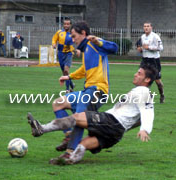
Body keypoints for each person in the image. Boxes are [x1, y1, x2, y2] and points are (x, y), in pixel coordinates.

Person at [27, 64, 157, 165]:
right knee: (82, 145)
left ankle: (42, 129)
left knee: (77, 117)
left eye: (139, 73)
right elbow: (139, 118)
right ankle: (69, 160)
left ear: (147, 79)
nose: (135, 75)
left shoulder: (144, 92)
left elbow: (148, 113)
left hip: (111, 121)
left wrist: (145, 129)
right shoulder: (141, 92)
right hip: (117, 133)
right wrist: (134, 127)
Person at [39, 21, 118, 158]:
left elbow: (115, 48)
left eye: (74, 36)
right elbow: (84, 70)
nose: (73, 40)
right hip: (87, 90)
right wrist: (68, 76)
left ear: (83, 33)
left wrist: (98, 40)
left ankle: (70, 152)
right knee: (58, 104)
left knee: (79, 116)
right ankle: (69, 136)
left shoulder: (93, 44)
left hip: (98, 90)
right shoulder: (85, 49)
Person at [137, 22, 164, 103]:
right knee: (141, 78)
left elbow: (161, 48)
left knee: (157, 81)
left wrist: (149, 47)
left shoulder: (155, 36)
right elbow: (140, 47)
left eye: (148, 26)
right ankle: (149, 95)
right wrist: (140, 49)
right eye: (145, 26)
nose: (146, 28)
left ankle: (162, 94)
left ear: (151, 27)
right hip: (145, 60)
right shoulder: (142, 36)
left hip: (154, 61)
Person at [52, 17, 75, 92]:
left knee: (66, 71)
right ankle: (71, 84)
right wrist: (54, 44)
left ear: (70, 25)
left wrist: (76, 49)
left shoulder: (73, 33)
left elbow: (77, 41)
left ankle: (67, 89)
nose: (66, 25)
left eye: (68, 24)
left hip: (69, 54)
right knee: (64, 72)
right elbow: (54, 39)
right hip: (61, 54)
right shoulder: (59, 32)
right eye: (65, 24)